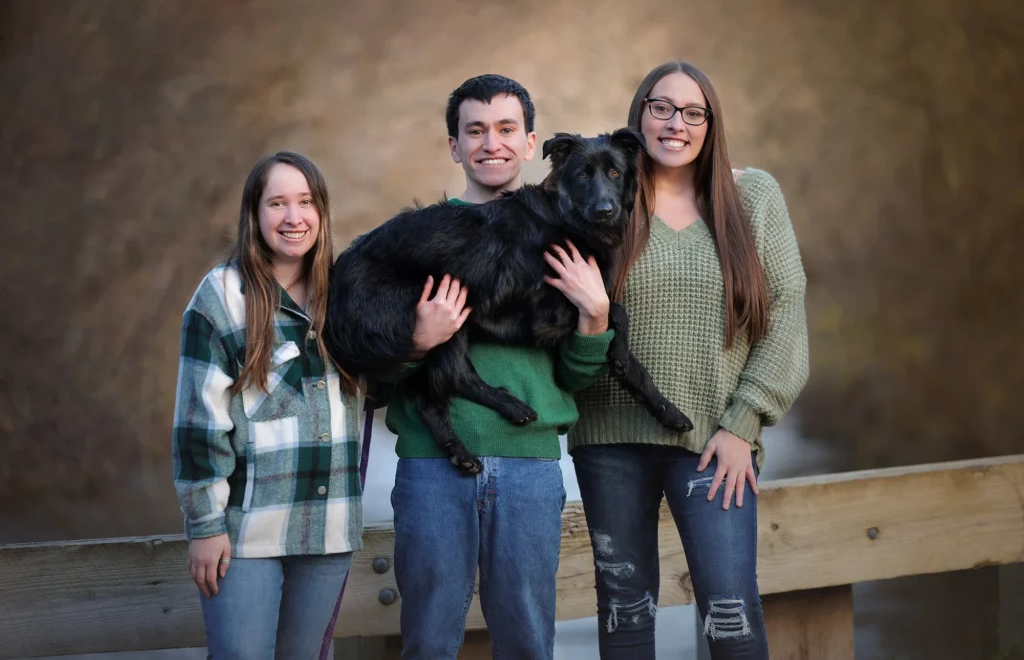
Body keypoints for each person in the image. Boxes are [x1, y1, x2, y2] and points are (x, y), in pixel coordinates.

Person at [571, 61, 810, 659]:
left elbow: (784, 314)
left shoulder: (752, 196)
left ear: (710, 123)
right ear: (640, 115)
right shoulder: (603, 198)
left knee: (731, 616)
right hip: (609, 442)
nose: (676, 123)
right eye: (661, 108)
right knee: (624, 617)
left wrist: (743, 424)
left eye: (692, 112)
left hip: (715, 444)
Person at [382, 74, 615, 660]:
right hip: (431, 469)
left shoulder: (567, 239)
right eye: (476, 131)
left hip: (530, 469)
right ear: (455, 146)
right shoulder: (417, 240)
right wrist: (416, 342)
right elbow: (372, 381)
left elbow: (575, 380)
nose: (492, 143)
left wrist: (594, 316)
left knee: (528, 644)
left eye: (507, 129)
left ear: (531, 143)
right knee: (428, 642)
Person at [172, 151, 363, 659]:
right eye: (277, 203)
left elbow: (383, 381)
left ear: (322, 211)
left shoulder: (345, 292)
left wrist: (420, 339)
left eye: (306, 202)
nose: (293, 217)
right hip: (246, 533)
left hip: (329, 528)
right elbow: (198, 425)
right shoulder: (221, 296)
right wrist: (205, 527)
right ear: (254, 214)